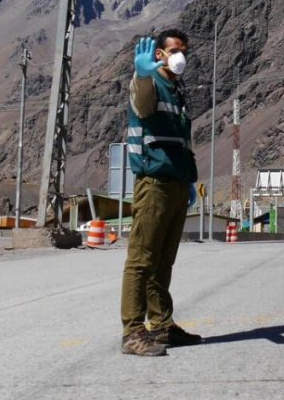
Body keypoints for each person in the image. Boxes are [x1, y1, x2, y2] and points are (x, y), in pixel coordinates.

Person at [120, 29, 201, 356]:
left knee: (164, 260)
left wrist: (188, 180)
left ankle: (162, 325)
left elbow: (180, 140)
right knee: (142, 259)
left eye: (184, 50)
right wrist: (141, 73)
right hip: (153, 183)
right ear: (158, 54)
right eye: (174, 50)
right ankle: (133, 331)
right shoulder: (150, 83)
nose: (180, 55)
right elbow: (141, 104)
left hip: (177, 182)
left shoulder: (176, 90)